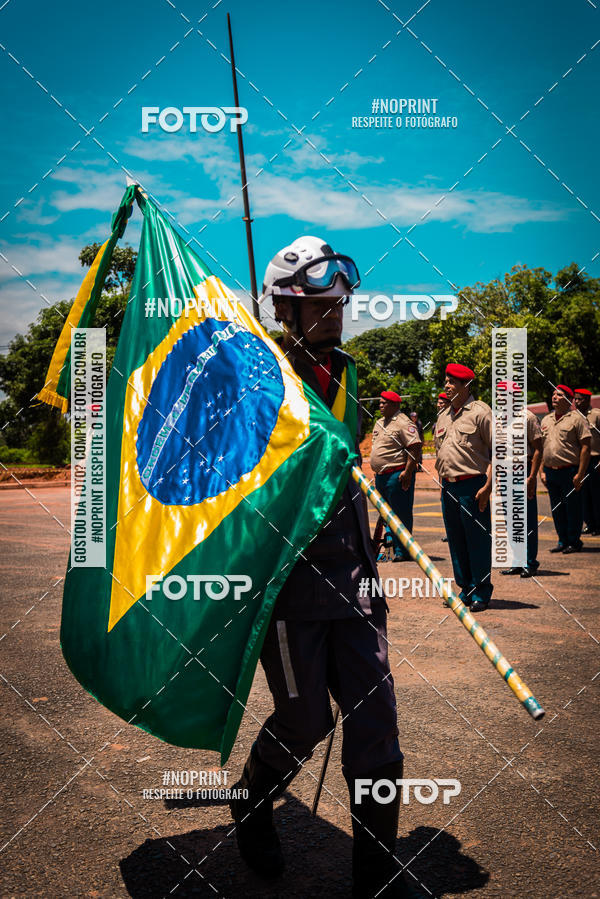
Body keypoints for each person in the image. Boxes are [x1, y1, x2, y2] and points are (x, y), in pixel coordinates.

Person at [229, 236, 424, 899]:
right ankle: (252, 802)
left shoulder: (349, 372)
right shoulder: (261, 375)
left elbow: (350, 461)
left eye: (342, 298)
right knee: (305, 720)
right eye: (322, 300)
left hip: (357, 580)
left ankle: (374, 874)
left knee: (379, 734)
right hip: (291, 586)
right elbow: (240, 480)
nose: (338, 308)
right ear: (288, 305)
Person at [435, 363, 493, 612]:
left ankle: (481, 591)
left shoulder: (481, 412)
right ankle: (466, 588)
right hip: (448, 487)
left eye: (451, 382)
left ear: (465, 385)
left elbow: (499, 452)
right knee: (456, 541)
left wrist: (489, 486)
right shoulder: (443, 415)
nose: (447, 386)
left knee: (477, 541)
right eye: (446, 381)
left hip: (473, 486)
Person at [370, 391, 422, 562]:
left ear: (395, 405)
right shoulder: (379, 423)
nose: (381, 405)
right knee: (386, 514)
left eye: (384, 403)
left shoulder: (403, 422)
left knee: (401, 513)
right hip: (381, 475)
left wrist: (408, 471)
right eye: (380, 402)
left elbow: (414, 447)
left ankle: (403, 551)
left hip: (397, 474)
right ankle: (390, 549)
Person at [498, 383, 543, 578]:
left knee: (526, 520)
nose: (500, 398)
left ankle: (530, 562)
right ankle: (517, 561)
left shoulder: (528, 417)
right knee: (510, 520)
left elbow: (538, 449)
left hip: (523, 472)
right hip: (506, 473)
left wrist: (532, 477)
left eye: (504, 394)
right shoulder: (500, 419)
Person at [541, 384, 591, 553]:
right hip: (550, 471)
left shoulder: (577, 419)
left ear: (569, 400)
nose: (554, 397)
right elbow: (542, 447)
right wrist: (541, 471)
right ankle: (562, 540)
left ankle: (573, 541)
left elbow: (585, 447)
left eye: (559, 395)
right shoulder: (546, 420)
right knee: (557, 508)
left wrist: (580, 474)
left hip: (569, 471)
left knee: (573, 508)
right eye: (554, 394)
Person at [574, 388, 600, 536]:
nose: (577, 402)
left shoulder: (596, 415)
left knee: (596, 494)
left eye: (580, 399)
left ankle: (598, 524)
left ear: (588, 400)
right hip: (579, 461)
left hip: (595, 459)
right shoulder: (573, 416)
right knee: (583, 494)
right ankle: (589, 523)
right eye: (575, 399)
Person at [434, 392, 451, 542]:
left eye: (442, 402)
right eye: (438, 402)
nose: (439, 405)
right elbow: (439, 453)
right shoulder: (438, 422)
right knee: (447, 507)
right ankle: (450, 532)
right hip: (444, 473)